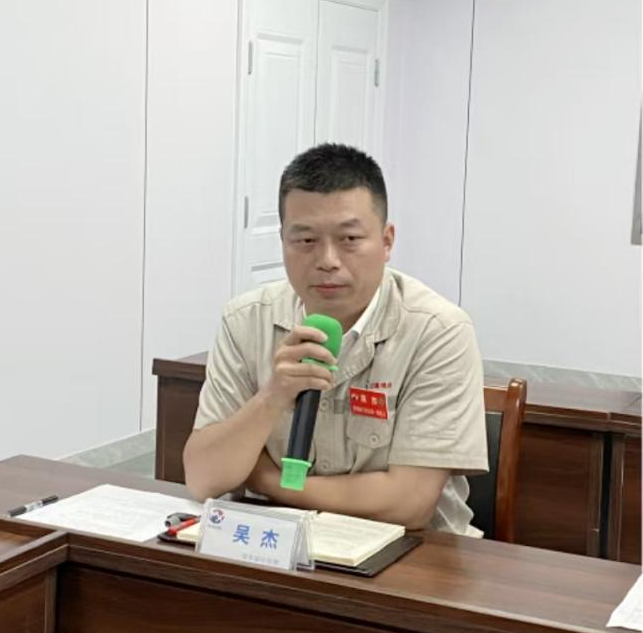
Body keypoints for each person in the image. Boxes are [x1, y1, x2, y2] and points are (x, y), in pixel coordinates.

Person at [184, 143, 488, 533]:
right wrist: (273, 396)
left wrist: (265, 478)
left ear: (387, 241)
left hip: (412, 551)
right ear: (283, 240)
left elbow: (408, 503)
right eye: (306, 240)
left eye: (349, 239)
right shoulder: (245, 320)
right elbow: (204, 479)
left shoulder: (438, 330)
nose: (328, 260)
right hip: (273, 543)